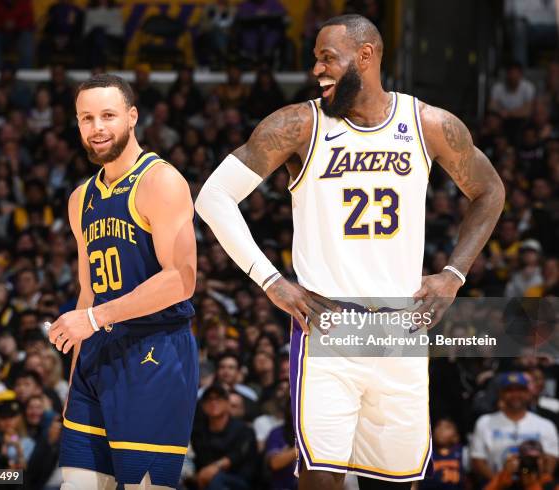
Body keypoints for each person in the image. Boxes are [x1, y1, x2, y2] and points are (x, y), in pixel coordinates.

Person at [196, 14, 505, 489]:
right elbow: (213, 197)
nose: (317, 69)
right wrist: (271, 281)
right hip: (329, 326)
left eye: (327, 58)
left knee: (397, 482)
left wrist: (453, 275)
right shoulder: (297, 124)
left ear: (366, 56)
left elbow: (490, 191)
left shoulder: (429, 124)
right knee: (321, 479)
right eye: (316, 59)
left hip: (399, 329)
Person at [48, 73, 197, 489]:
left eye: (108, 115)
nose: (97, 128)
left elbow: (181, 280)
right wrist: (77, 369)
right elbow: (88, 290)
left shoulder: (161, 181)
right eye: (86, 118)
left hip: (154, 351)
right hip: (95, 358)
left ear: (132, 116)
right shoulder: (81, 198)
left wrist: (93, 319)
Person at [470, 372, 558, 485]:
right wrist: (500, 481)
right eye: (509, 390)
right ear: (501, 394)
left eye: (520, 390)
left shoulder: (545, 425)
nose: (515, 394)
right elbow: (478, 460)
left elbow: (551, 458)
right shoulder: (484, 422)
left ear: (528, 393)